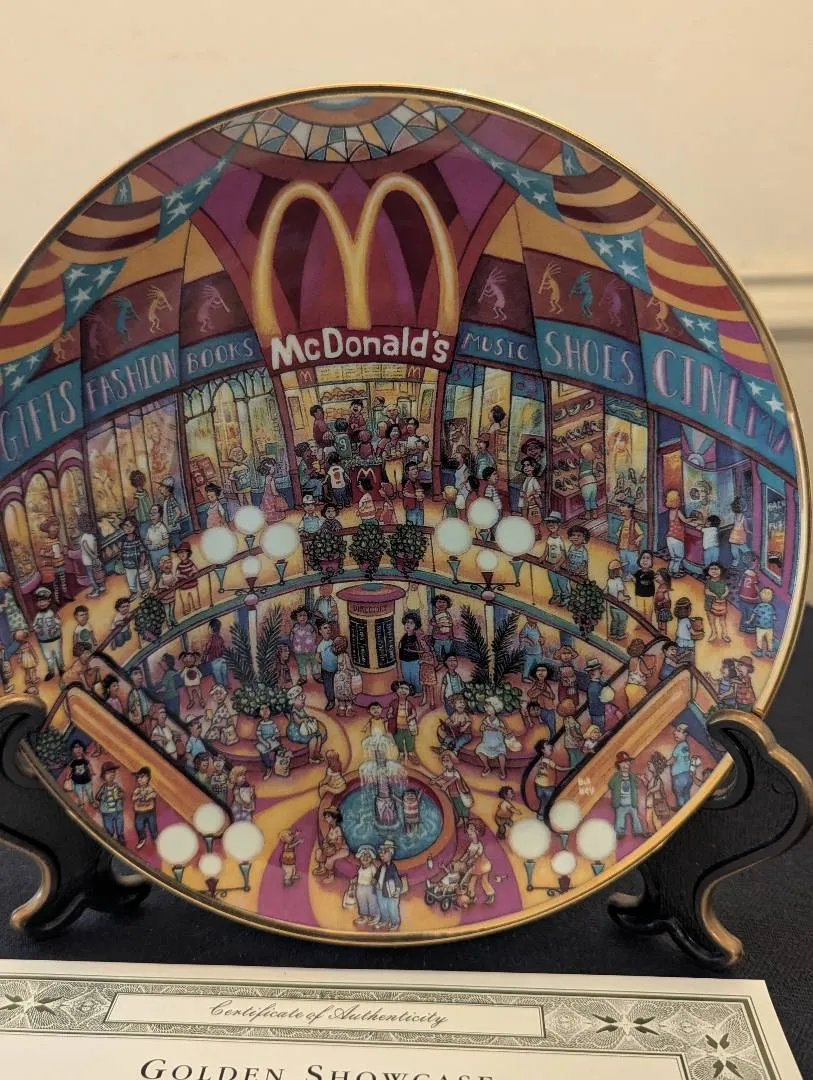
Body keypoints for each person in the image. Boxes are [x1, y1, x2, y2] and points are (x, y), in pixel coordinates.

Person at [286, 684, 326, 764]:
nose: (303, 703)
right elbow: (298, 721)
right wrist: (305, 719)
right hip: (296, 731)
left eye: (303, 702)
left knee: (318, 735)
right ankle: (311, 757)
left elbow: (305, 716)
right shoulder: (294, 712)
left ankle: (317, 753)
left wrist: (309, 718)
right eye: (301, 702)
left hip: (303, 729)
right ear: (294, 701)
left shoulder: (301, 709)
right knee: (313, 738)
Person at [431, 751, 472, 826]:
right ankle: (460, 819)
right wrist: (435, 780)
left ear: (452, 761)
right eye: (443, 761)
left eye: (447, 761)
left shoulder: (455, 772)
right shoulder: (446, 772)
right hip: (452, 793)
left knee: (462, 806)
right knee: (456, 806)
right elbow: (442, 776)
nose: (445, 763)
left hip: (459, 793)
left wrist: (446, 785)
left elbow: (453, 779)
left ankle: (465, 819)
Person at [608, 751, 644, 838]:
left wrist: (640, 779)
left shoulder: (632, 776)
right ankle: (619, 832)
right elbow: (611, 785)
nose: (625, 765)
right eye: (623, 763)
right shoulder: (616, 776)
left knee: (635, 818)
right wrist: (617, 777)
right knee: (620, 819)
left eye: (627, 763)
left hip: (631, 802)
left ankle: (638, 831)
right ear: (618, 765)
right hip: (620, 803)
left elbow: (637, 785)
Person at [32, 587, 64, 681]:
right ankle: (51, 671)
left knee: (58, 654)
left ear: (49, 601)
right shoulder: (38, 615)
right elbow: (35, 625)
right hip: (43, 641)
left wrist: (55, 629)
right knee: (48, 657)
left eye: (44, 600)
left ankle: (61, 668)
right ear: (37, 603)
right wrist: (37, 629)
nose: (42, 603)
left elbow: (58, 622)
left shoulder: (52, 613)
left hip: (55, 639)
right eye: (39, 601)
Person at [463, 818, 495, 905]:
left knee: (484, 881)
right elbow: (467, 853)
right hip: (475, 867)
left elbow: (477, 855)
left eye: (471, 829)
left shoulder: (479, 845)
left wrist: (470, 860)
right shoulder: (471, 844)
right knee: (471, 881)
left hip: (483, 866)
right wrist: (461, 860)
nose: (468, 831)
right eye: (468, 828)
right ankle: (471, 896)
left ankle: (491, 895)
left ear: (477, 832)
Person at [475, 697, 509, 780]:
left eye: (489, 707)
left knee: (501, 755)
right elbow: (481, 728)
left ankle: (502, 771)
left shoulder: (499, 721)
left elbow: (504, 730)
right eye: (486, 707)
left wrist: (495, 728)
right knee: (479, 751)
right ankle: (487, 767)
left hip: (498, 744)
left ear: (495, 708)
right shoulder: (486, 720)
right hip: (487, 743)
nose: (487, 709)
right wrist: (483, 727)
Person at [386, 680, 419, 764]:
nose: (403, 690)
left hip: (408, 727)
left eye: (406, 689)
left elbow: (414, 713)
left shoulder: (409, 703)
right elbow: (389, 712)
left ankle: (410, 753)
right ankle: (401, 753)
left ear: (409, 692)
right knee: (398, 740)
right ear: (396, 689)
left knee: (410, 740)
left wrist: (410, 717)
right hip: (397, 727)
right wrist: (389, 715)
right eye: (401, 688)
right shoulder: (393, 703)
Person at [374, 839, 404, 930]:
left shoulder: (392, 868)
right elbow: (377, 875)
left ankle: (395, 922)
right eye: (381, 852)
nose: (382, 854)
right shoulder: (382, 866)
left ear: (391, 853)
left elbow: (397, 879)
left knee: (392, 908)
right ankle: (385, 920)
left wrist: (398, 889)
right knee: (382, 907)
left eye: (385, 852)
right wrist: (374, 880)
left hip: (390, 892)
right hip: (380, 890)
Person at [313, 807, 349, 883]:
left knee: (330, 859)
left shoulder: (338, 829)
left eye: (328, 816)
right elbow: (327, 839)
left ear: (334, 818)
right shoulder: (331, 828)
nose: (326, 818)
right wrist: (325, 843)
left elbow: (339, 843)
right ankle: (322, 868)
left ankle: (330, 876)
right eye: (326, 817)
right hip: (333, 848)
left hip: (342, 849)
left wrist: (331, 842)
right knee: (319, 851)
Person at [542, 511, 570, 606]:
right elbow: (547, 549)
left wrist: (558, 565)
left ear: (559, 525)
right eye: (549, 522)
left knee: (562, 583)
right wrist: (543, 557)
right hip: (550, 564)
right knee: (553, 582)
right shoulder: (549, 538)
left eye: (554, 523)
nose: (551, 525)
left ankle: (566, 597)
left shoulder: (560, 540)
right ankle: (556, 595)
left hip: (561, 566)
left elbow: (564, 555)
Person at [94, 761, 126, 844]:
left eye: (113, 772)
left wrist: (121, 795)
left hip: (117, 810)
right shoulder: (103, 787)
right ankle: (109, 835)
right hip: (107, 812)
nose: (112, 774)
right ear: (103, 776)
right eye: (108, 773)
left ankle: (120, 836)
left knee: (119, 824)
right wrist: (103, 797)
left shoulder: (116, 785)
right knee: (109, 828)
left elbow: (122, 793)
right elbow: (97, 796)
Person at [119, 516, 150, 598]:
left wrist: (142, 562)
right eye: (126, 525)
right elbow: (121, 551)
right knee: (131, 579)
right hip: (128, 564)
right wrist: (122, 561)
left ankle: (145, 590)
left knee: (143, 578)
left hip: (139, 564)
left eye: (131, 526)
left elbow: (143, 552)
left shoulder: (137, 539)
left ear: (135, 527)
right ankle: (133, 592)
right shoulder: (123, 540)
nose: (128, 528)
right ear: (123, 527)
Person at [533, 741, 567, 817]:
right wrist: (570, 768)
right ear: (543, 750)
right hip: (547, 786)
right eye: (547, 745)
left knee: (544, 802)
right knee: (550, 801)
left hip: (538, 785)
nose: (550, 746)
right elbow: (559, 768)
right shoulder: (549, 761)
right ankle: (545, 814)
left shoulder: (541, 759)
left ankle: (541, 814)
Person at [664, 490, 692, 577]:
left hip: (669, 537)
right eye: (679, 499)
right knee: (679, 557)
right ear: (676, 501)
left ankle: (669, 571)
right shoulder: (677, 511)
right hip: (677, 538)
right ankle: (675, 572)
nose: (680, 500)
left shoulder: (670, 511)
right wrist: (692, 519)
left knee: (673, 557)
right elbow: (685, 520)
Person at [77, 513, 106, 597]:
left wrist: (94, 558)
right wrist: (96, 557)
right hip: (95, 558)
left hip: (88, 561)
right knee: (98, 573)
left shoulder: (84, 537)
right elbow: (95, 547)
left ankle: (96, 590)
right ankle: (101, 587)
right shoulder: (92, 536)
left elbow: (87, 550)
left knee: (91, 576)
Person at [524, 663, 556, 736]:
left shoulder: (546, 685)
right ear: (535, 673)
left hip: (549, 709)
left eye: (543, 670)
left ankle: (553, 739)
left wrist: (542, 692)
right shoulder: (536, 684)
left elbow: (552, 696)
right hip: (540, 709)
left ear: (547, 673)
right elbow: (530, 693)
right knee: (542, 727)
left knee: (551, 727)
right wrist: (538, 691)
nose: (541, 672)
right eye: (538, 670)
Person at [644, 751, 671, 834]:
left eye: (651, 762)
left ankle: (659, 832)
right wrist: (643, 780)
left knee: (657, 820)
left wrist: (650, 791)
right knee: (648, 819)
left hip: (656, 803)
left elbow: (657, 787)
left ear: (656, 766)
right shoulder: (653, 778)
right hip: (650, 804)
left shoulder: (657, 778)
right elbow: (649, 786)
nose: (648, 763)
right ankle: (651, 832)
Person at [132, 766, 159, 849]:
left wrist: (149, 795)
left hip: (150, 811)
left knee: (152, 825)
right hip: (139, 812)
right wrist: (138, 796)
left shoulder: (150, 788)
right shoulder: (137, 790)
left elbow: (154, 794)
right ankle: (142, 838)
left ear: (148, 778)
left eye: (142, 777)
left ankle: (155, 838)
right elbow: (133, 797)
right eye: (138, 778)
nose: (139, 779)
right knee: (139, 825)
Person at [352, 846, 380, 925]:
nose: (365, 858)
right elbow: (360, 875)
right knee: (361, 901)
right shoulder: (360, 868)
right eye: (363, 855)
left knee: (372, 901)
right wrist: (355, 879)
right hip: (360, 887)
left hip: (369, 887)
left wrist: (375, 880)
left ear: (371, 858)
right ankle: (364, 916)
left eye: (368, 856)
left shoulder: (372, 867)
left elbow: (376, 876)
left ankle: (373, 915)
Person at [704, 562, 731, 643]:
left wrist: (724, 594)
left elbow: (727, 590)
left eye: (716, 569)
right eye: (711, 569)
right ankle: (714, 633)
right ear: (708, 571)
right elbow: (706, 591)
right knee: (711, 620)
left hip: (721, 604)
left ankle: (724, 634)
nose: (714, 571)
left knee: (722, 620)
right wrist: (714, 594)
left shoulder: (723, 582)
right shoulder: (708, 582)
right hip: (709, 603)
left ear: (721, 571)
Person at [669, 721, 693, 808]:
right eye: (676, 730)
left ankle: (681, 807)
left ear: (685, 734)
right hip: (687, 775)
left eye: (679, 731)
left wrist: (665, 763)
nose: (675, 732)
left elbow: (672, 759)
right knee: (686, 793)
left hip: (679, 775)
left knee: (678, 792)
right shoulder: (685, 745)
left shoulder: (679, 746)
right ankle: (688, 806)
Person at [616, 499, 642, 580]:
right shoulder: (624, 521)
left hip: (631, 548)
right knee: (623, 562)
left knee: (633, 562)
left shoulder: (634, 522)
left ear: (630, 508)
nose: (620, 508)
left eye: (623, 506)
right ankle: (625, 575)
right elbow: (619, 532)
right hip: (622, 546)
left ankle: (634, 575)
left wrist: (637, 540)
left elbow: (641, 534)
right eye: (620, 506)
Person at [518, 457, 544, 539]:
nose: (526, 468)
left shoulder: (534, 480)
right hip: (525, 504)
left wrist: (539, 504)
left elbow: (537, 493)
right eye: (524, 466)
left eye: (528, 465)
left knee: (534, 521)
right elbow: (523, 491)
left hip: (533, 505)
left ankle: (537, 534)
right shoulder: (526, 479)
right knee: (526, 519)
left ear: (533, 467)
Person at [625, 638, 654, 709]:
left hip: (629, 687)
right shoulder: (639, 661)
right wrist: (651, 670)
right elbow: (647, 673)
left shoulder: (631, 660)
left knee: (633, 707)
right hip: (637, 688)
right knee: (644, 707)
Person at [749, 587, 778, 657]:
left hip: (761, 627)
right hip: (768, 627)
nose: (766, 596)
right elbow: (774, 616)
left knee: (760, 639)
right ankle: (769, 652)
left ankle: (760, 651)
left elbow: (753, 614)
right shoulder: (770, 607)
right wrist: (774, 618)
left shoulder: (759, 606)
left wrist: (750, 620)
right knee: (769, 639)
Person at [291, 607, 318, 682]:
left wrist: (313, 643)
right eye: (300, 615)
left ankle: (317, 674)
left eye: (304, 615)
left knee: (314, 662)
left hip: (310, 649)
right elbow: (292, 636)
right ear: (296, 617)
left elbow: (314, 634)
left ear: (307, 617)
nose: (302, 617)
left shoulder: (309, 626)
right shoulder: (295, 627)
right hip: (299, 650)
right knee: (301, 664)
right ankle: (303, 677)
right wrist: (293, 645)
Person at [316, 621, 338, 711]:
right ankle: (331, 701)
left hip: (335, 668)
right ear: (320, 631)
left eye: (329, 628)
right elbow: (317, 657)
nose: (328, 629)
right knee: (328, 686)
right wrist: (323, 662)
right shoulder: (321, 645)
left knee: (337, 683)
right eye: (325, 628)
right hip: (326, 670)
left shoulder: (333, 642)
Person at [737, 551, 761, 633]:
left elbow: (740, 584)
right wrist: (760, 594)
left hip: (742, 597)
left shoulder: (745, 573)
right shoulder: (754, 574)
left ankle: (742, 626)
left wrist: (740, 592)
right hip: (751, 599)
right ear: (753, 562)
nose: (758, 564)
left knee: (744, 613)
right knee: (751, 613)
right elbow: (755, 586)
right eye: (757, 562)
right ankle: (750, 628)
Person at [255, 703, 281, 780]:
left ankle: (277, 765)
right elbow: (259, 736)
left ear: (270, 711)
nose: (265, 711)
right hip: (264, 742)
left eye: (266, 708)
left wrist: (273, 737)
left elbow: (277, 733)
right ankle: (269, 767)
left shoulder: (272, 723)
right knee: (262, 751)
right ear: (259, 713)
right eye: (262, 709)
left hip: (272, 741)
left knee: (277, 748)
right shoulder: (260, 724)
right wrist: (265, 743)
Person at [258, 457, 288, 523]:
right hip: (271, 497)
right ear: (268, 469)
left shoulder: (266, 477)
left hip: (266, 496)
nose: (274, 468)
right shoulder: (271, 478)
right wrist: (280, 495)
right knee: (274, 507)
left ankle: (269, 520)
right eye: (273, 467)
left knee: (267, 507)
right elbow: (274, 491)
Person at [65, 740, 94, 808]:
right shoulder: (73, 762)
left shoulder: (85, 760)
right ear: (72, 750)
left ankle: (92, 801)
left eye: (80, 747)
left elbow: (89, 765)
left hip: (87, 780)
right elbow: (70, 769)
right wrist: (67, 776)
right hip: (77, 782)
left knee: (89, 792)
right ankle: (81, 803)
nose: (78, 749)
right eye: (76, 747)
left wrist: (92, 771)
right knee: (79, 793)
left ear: (83, 749)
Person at [605, 559, 629, 641]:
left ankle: (613, 634)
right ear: (617, 571)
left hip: (612, 606)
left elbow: (605, 591)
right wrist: (627, 597)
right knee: (622, 621)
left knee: (614, 620)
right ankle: (620, 635)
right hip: (621, 607)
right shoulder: (619, 581)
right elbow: (620, 598)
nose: (622, 570)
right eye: (621, 569)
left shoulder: (609, 580)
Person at [333, 635, 357, 717]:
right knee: (348, 696)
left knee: (341, 696)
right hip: (346, 677)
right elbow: (349, 667)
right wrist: (354, 671)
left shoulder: (336, 656)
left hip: (337, 677)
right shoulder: (345, 655)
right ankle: (349, 710)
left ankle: (341, 710)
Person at [398, 612, 422, 690]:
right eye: (407, 622)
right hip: (404, 661)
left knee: (415, 678)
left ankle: (418, 692)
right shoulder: (404, 637)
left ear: (416, 626)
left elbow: (420, 650)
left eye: (411, 623)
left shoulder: (416, 637)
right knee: (406, 678)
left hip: (414, 661)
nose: (408, 625)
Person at [175, 542, 200, 614]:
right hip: (183, 587)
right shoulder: (179, 565)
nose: (181, 554)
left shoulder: (190, 562)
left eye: (183, 552)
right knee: (185, 600)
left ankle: (198, 609)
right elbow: (177, 574)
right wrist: (183, 576)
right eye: (179, 553)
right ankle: (187, 611)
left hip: (192, 585)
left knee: (195, 598)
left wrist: (191, 573)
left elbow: (196, 570)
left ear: (188, 553)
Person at [145, 504, 171, 576]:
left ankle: (167, 579)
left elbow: (167, 539)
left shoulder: (162, 527)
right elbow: (147, 540)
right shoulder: (150, 529)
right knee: (156, 568)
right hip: (153, 553)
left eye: (154, 513)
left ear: (160, 515)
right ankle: (158, 580)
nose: (152, 515)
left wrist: (160, 544)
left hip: (162, 551)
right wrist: (147, 542)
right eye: (151, 513)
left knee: (165, 567)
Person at [203, 617, 229, 687]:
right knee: (224, 674)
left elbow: (207, 650)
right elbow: (223, 647)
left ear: (211, 629)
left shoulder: (211, 640)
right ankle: (226, 685)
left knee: (218, 676)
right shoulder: (220, 638)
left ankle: (221, 688)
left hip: (214, 660)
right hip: (223, 659)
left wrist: (204, 658)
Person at [160, 477, 183, 550]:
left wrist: (174, 521)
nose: (160, 488)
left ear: (167, 489)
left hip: (173, 528)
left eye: (162, 487)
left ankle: (182, 552)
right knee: (170, 545)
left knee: (177, 543)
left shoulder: (171, 499)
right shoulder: (165, 500)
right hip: (168, 528)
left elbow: (178, 512)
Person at [416, 628, 437, 708]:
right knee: (424, 685)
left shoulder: (430, 653)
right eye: (422, 644)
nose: (423, 646)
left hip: (430, 671)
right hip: (423, 670)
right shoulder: (422, 651)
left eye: (424, 644)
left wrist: (423, 661)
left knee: (430, 686)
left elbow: (432, 662)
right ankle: (424, 699)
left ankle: (432, 701)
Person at [429, 595, 455, 661]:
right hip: (437, 637)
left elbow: (450, 624)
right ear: (435, 603)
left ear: (447, 604)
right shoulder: (436, 615)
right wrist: (436, 624)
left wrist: (445, 624)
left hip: (447, 637)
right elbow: (431, 622)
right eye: (439, 602)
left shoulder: (447, 614)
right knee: (437, 650)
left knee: (448, 651)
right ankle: (438, 660)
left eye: (444, 602)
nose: (441, 604)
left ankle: (447, 660)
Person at [577, 442, 599, 519]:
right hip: (593, 482)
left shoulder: (581, 460)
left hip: (585, 483)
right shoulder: (592, 461)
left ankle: (587, 514)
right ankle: (595, 514)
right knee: (593, 499)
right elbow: (594, 471)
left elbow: (574, 456)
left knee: (586, 500)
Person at [674, 596, 698, 665]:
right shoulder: (687, 621)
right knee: (691, 656)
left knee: (680, 655)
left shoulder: (680, 620)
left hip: (680, 641)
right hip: (688, 642)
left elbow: (677, 632)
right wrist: (700, 633)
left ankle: (681, 665)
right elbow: (693, 632)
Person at [633, 550, 656, 621]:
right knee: (640, 612)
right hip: (639, 595)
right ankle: (641, 624)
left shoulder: (652, 573)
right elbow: (635, 581)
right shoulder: (638, 572)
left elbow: (653, 580)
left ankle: (648, 624)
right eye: (643, 558)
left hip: (649, 596)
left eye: (648, 558)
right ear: (639, 560)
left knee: (649, 612)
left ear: (651, 561)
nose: (645, 560)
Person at [156, 554, 178, 628]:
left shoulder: (171, 574)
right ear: (162, 567)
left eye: (169, 563)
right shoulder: (162, 576)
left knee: (172, 609)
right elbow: (160, 585)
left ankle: (173, 620)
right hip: (165, 596)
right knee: (167, 610)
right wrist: (165, 587)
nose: (168, 566)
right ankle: (169, 622)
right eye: (166, 564)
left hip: (171, 594)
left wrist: (175, 581)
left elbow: (174, 580)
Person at [382, 424, 404, 493]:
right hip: (389, 464)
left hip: (398, 463)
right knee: (391, 480)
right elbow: (384, 453)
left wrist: (400, 454)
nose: (395, 433)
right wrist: (384, 456)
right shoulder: (388, 445)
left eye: (396, 431)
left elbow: (403, 453)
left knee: (399, 479)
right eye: (393, 431)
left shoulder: (400, 444)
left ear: (399, 433)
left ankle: (400, 492)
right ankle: (394, 492)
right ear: (389, 433)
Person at [129, 469, 152, 535]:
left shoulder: (137, 494)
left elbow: (136, 505)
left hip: (142, 518)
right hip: (148, 516)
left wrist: (130, 509)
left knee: (143, 533)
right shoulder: (145, 492)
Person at [585, 657, 605, 730]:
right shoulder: (593, 686)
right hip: (597, 713)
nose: (592, 672)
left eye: (594, 670)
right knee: (599, 729)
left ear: (600, 671)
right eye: (590, 671)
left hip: (599, 712)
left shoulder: (598, 683)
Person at [729, 497, 750, 566]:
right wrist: (749, 532)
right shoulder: (743, 518)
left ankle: (736, 560)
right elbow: (746, 529)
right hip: (740, 535)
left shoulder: (735, 516)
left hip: (734, 535)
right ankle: (749, 558)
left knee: (734, 549)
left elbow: (734, 525)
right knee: (743, 548)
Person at [653, 569, 673, 636]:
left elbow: (667, 599)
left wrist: (661, 602)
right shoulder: (661, 586)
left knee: (663, 622)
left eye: (658, 575)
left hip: (663, 608)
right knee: (659, 621)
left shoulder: (664, 587)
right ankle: (660, 634)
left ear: (663, 577)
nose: (656, 576)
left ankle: (663, 634)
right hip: (658, 607)